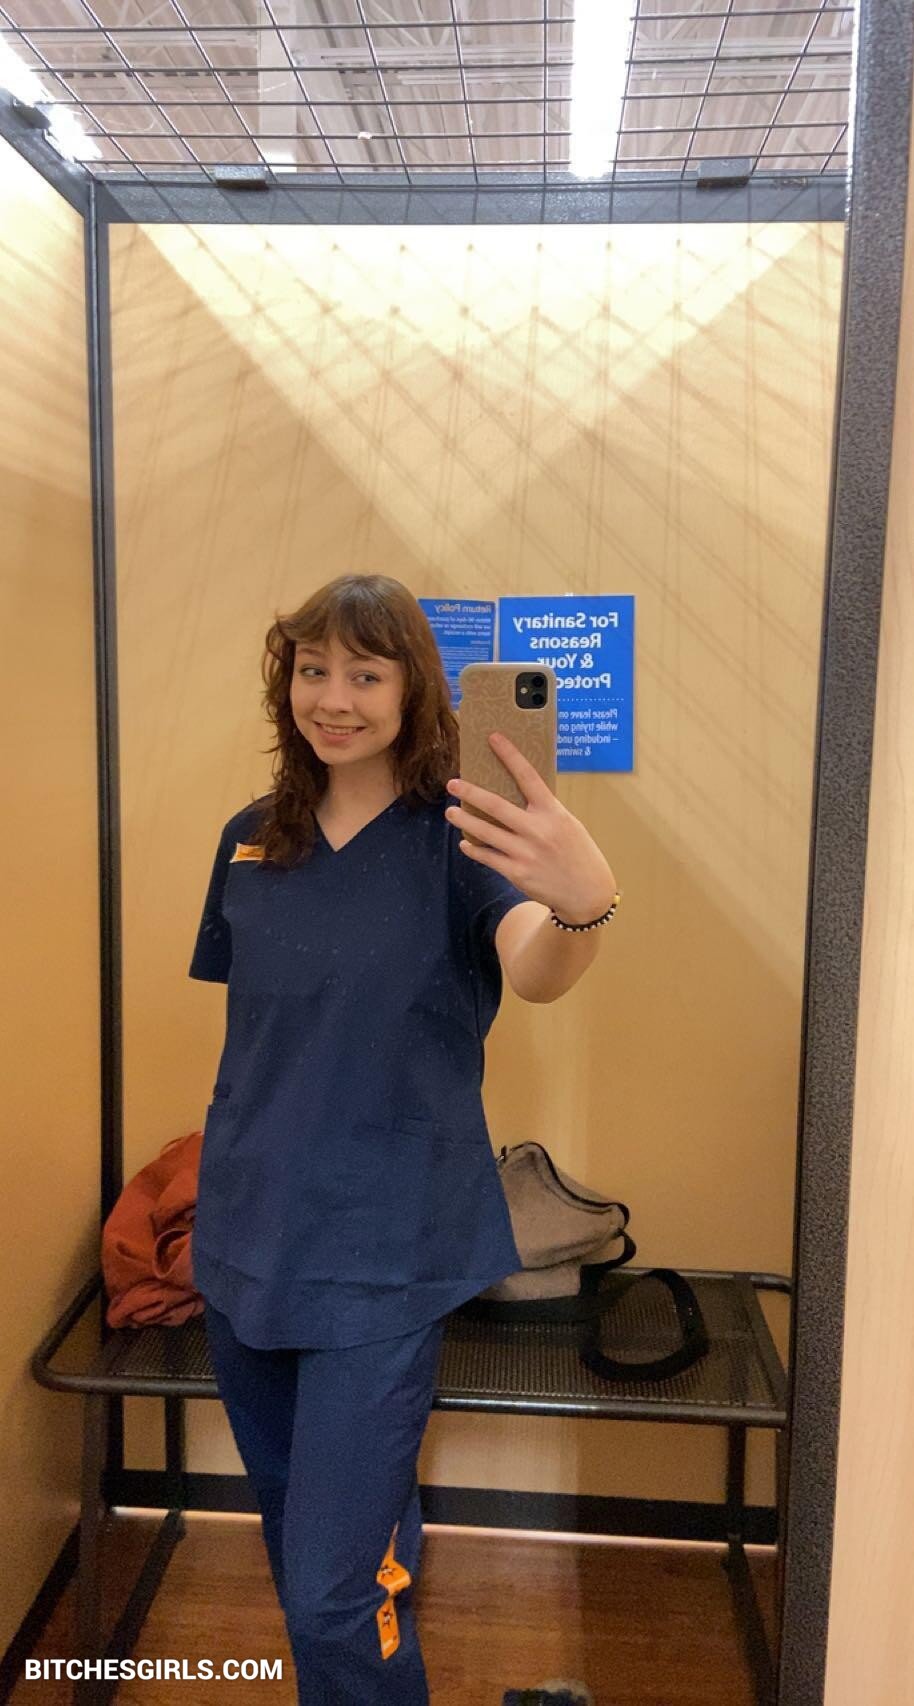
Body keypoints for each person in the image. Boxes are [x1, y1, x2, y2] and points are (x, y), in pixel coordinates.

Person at [188, 573, 619, 1705]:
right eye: (312, 671)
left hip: (381, 1255)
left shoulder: (461, 838)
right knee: (307, 1547)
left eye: (364, 674)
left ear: (412, 689)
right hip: (245, 1242)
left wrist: (582, 904)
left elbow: (535, 967)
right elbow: (267, 1037)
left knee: (332, 1592)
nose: (332, 698)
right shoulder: (250, 840)